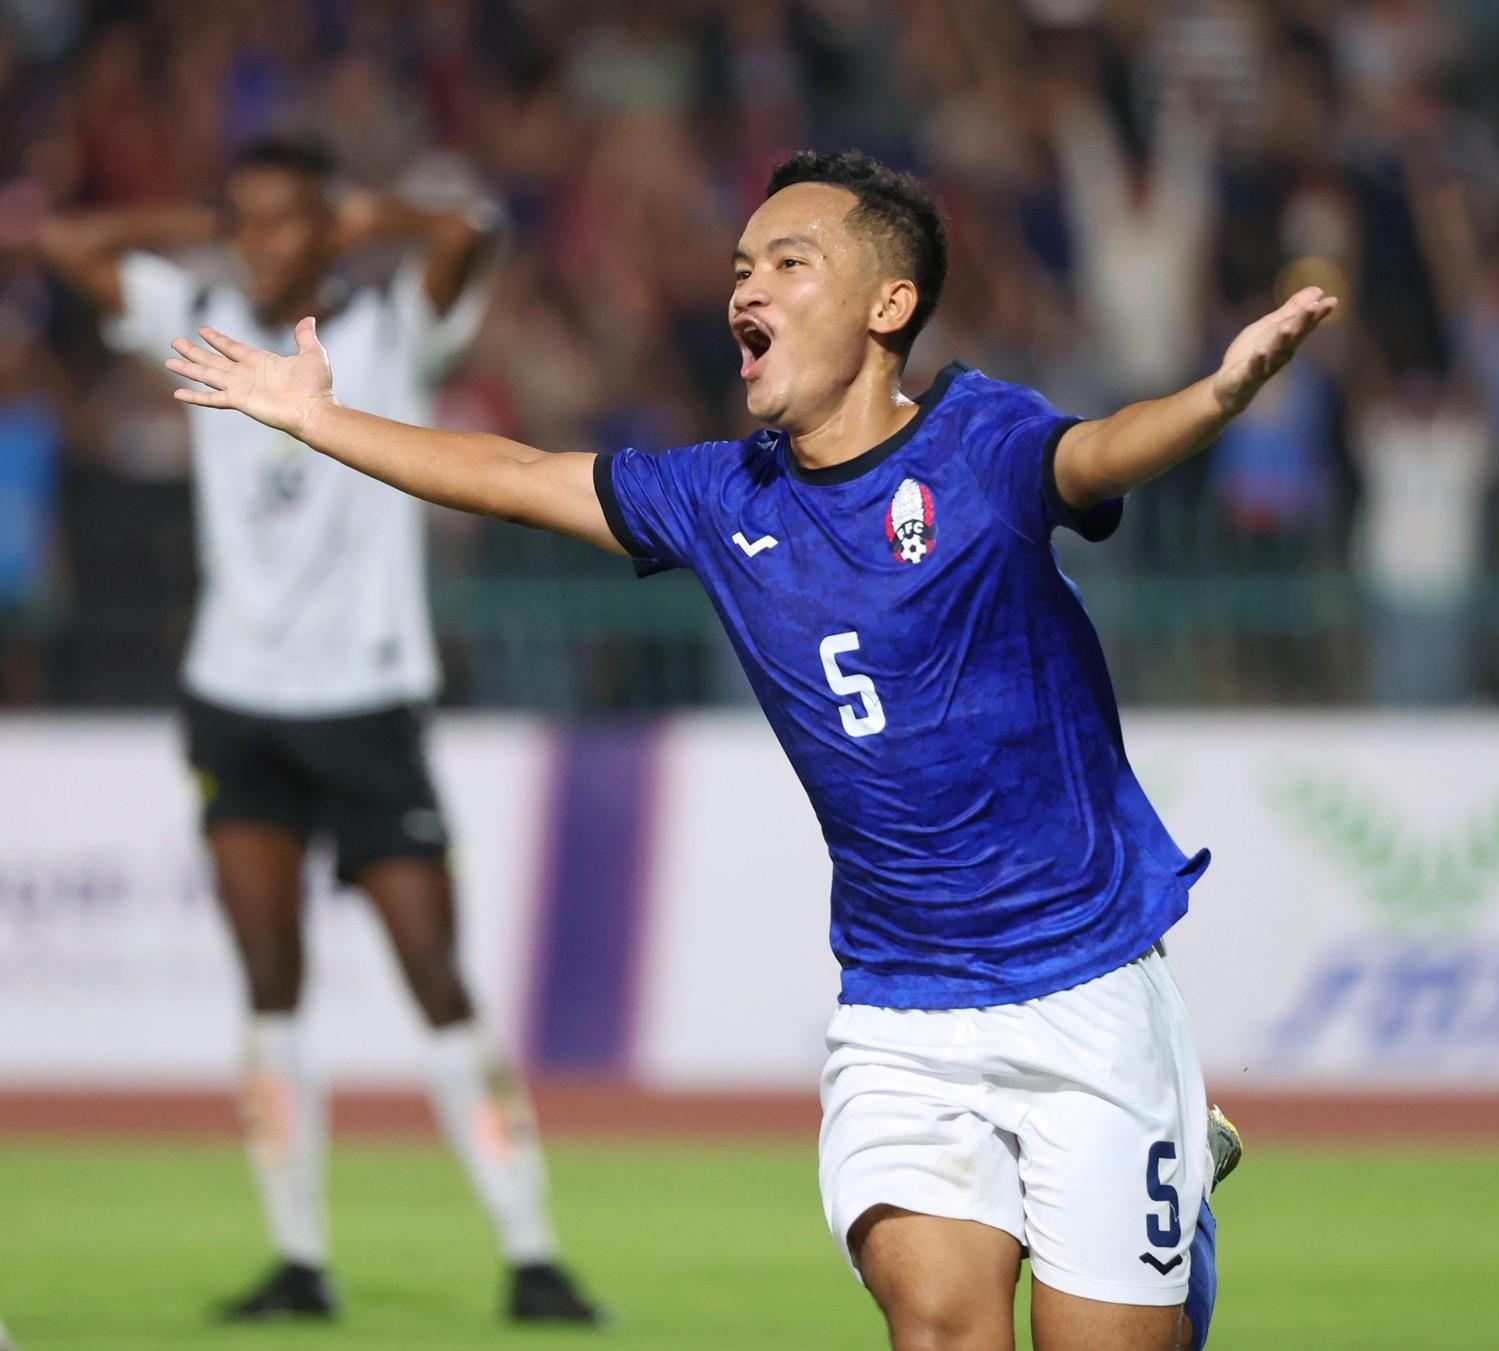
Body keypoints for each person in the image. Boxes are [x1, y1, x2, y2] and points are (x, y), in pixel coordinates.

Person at [161, 148, 1327, 1351]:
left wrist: (1215, 398)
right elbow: (512, 476)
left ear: (888, 306)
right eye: (738, 267)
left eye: (787, 261)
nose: (743, 291)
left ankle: (1170, 1179)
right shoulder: (724, 497)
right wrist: (318, 415)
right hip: (901, 1009)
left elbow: (1098, 453)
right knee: (938, 1327)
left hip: (1083, 990)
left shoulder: (979, 439)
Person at [37, 139, 602, 1325]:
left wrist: (363, 214)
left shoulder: (395, 324)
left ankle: (531, 1249)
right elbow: (65, 242)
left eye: (281, 221)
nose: (255, 242)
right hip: (235, 699)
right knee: (270, 978)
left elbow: (469, 228)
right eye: (240, 221)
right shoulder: (194, 308)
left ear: (329, 230)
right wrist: (201, 210)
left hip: (367, 700)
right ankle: (300, 1260)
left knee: (433, 972)